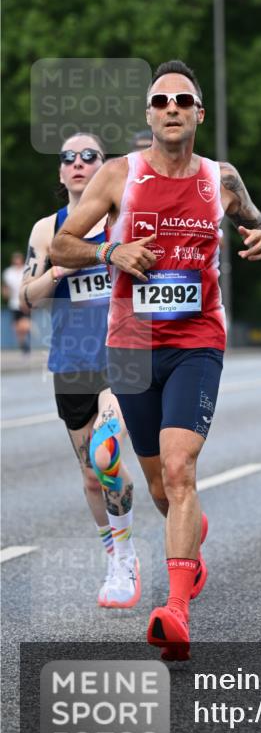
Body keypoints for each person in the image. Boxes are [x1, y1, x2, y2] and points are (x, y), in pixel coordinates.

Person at [52, 60, 261, 659]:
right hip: (130, 345)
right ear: (149, 114)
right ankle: (189, 537)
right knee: (157, 483)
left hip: (197, 340)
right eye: (160, 100)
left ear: (199, 113)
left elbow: (258, 226)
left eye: (183, 99)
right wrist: (112, 249)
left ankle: (175, 612)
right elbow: (61, 244)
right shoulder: (119, 176)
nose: (171, 107)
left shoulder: (220, 178)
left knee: (179, 471)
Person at [20, 133, 139, 607]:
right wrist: (58, 271)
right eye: (68, 157)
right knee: (93, 475)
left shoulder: (123, 221)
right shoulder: (46, 230)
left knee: (106, 454)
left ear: (104, 167)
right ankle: (114, 551)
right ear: (60, 171)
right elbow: (26, 295)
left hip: (122, 355)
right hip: (70, 362)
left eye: (89, 156)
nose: (77, 163)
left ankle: (125, 562)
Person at [2, 251, 31, 353]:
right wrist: (5, 293)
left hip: (25, 301)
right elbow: (5, 287)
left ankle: (26, 338)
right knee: (17, 327)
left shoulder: (26, 270)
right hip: (14, 303)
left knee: (25, 324)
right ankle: (23, 344)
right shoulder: (8, 272)